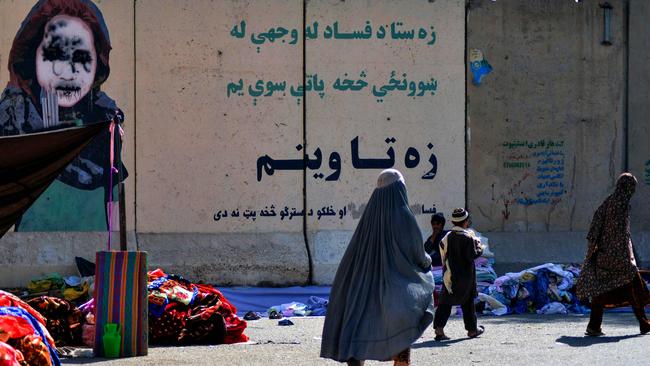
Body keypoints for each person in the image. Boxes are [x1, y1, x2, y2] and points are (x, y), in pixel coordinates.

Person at [0, 0, 126, 230]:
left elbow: (114, 215)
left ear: (98, 63)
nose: (66, 71)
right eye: (54, 54)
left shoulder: (106, 127)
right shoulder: (11, 122)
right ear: (33, 58)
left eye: (80, 57)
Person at [320, 169, 435, 366]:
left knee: (358, 321)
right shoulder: (404, 217)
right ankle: (400, 361)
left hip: (363, 281)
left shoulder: (369, 215)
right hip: (395, 283)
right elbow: (417, 254)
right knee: (403, 319)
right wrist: (427, 263)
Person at [575, 173, 650, 336]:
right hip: (620, 257)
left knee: (601, 290)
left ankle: (594, 326)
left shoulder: (608, 201)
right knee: (636, 288)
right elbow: (622, 233)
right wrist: (628, 257)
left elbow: (595, 227)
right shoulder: (622, 203)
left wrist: (592, 252)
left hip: (604, 257)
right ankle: (644, 324)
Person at [433, 208, 484, 341]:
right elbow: (473, 255)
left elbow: (442, 252)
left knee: (445, 303)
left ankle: (439, 330)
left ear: (452, 222)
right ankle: (472, 330)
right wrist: (479, 245)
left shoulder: (447, 237)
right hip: (466, 277)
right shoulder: (468, 238)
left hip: (449, 275)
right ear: (466, 222)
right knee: (468, 303)